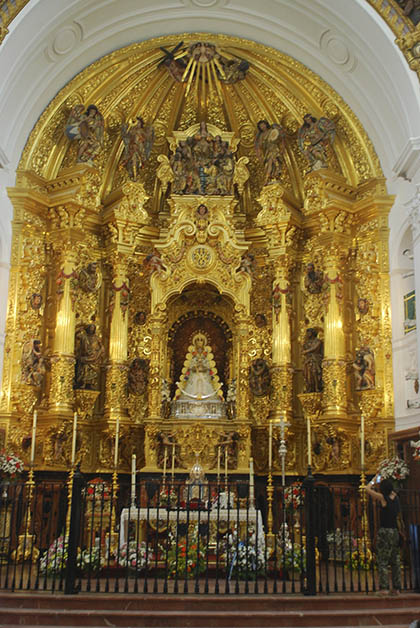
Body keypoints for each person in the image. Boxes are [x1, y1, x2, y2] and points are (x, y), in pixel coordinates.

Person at [366, 475, 402, 596]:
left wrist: (374, 479)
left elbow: (367, 489)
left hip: (385, 531)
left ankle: (384, 588)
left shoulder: (383, 498)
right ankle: (397, 588)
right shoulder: (395, 497)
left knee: (382, 560)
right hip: (395, 531)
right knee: (395, 560)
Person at [74, 324, 105, 390]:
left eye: (93, 328)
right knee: (85, 368)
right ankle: (83, 382)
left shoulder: (96, 338)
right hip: (86, 356)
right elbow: (77, 337)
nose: (91, 329)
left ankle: (91, 383)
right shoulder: (84, 337)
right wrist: (79, 330)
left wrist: (100, 352)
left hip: (94, 357)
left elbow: (101, 347)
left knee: (93, 371)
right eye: (90, 328)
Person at [302, 328, 323, 392]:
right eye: (307, 333)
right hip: (308, 359)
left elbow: (315, 348)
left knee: (314, 371)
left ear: (313, 333)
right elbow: (302, 349)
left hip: (315, 358)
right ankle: (310, 387)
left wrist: (306, 351)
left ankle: (317, 387)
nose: (308, 334)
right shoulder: (306, 342)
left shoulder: (317, 341)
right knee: (307, 374)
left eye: (309, 332)